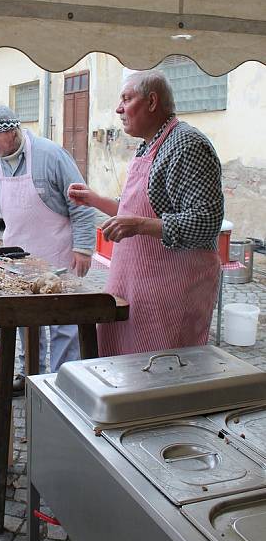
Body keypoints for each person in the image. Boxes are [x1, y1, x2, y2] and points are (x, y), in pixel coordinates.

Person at [68, 69, 223, 356]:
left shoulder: (187, 145)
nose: (118, 109)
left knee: (159, 379)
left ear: (152, 102)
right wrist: (94, 200)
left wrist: (138, 225)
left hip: (169, 300)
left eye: (126, 99)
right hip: (137, 292)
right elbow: (132, 212)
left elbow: (206, 221)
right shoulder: (149, 146)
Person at [0, 104, 96, 392]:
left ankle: (62, 383)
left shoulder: (50, 155)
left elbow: (81, 202)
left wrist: (84, 248)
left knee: (64, 325)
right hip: (19, 260)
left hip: (59, 256)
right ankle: (31, 378)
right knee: (28, 323)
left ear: (13, 132)